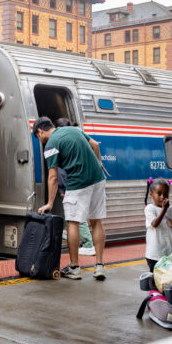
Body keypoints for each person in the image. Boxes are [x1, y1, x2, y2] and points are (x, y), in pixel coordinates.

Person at [34, 116, 107, 281]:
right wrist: (99, 163)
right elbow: (95, 145)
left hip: (78, 183)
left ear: (40, 131)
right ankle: (100, 266)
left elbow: (53, 176)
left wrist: (50, 203)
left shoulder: (51, 144)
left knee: (73, 222)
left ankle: (74, 267)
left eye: (39, 137)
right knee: (96, 221)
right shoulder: (74, 130)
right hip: (98, 179)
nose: (41, 140)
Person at [54, 117, 99, 255]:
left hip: (73, 185)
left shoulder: (61, 143)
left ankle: (88, 244)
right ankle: (84, 242)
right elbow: (95, 145)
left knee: (77, 216)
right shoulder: (77, 138)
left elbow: (61, 171)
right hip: (85, 182)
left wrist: (63, 189)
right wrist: (99, 162)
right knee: (79, 215)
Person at [144, 178, 172, 271]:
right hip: (155, 255)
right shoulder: (150, 209)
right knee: (157, 280)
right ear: (151, 194)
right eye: (159, 193)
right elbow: (154, 224)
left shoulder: (171, 210)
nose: (162, 197)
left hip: (171, 253)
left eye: (165, 194)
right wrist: (164, 209)